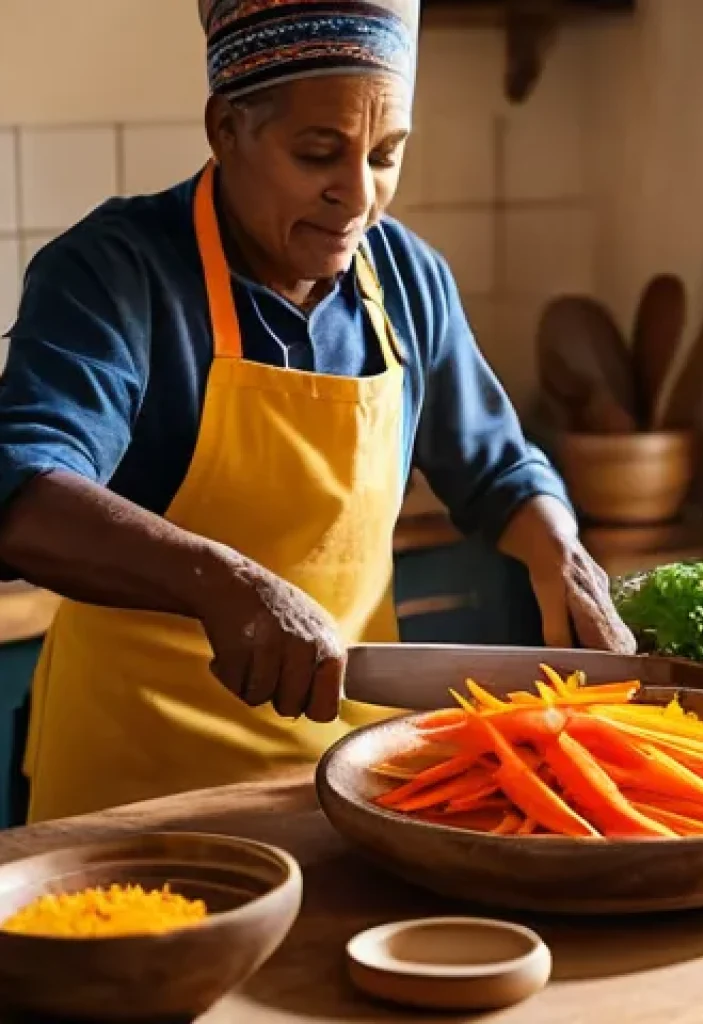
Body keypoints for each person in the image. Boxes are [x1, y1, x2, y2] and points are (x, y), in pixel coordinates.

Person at [0, 0, 635, 824]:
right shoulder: (117, 275)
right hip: (137, 788)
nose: (359, 196)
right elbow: (23, 491)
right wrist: (223, 583)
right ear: (225, 129)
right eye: (317, 154)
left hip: (358, 779)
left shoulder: (407, 280)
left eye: (385, 155)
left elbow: (498, 469)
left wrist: (560, 553)